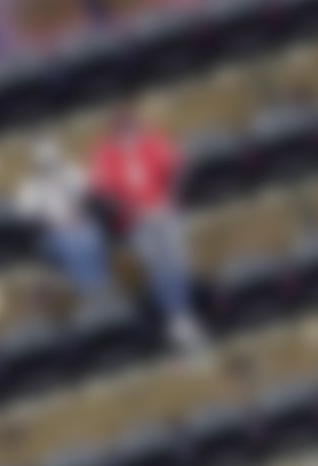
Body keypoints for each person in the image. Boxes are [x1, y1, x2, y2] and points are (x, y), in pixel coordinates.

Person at [88, 107, 205, 348]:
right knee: (158, 268)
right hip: (135, 220)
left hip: (163, 211)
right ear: (114, 133)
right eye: (123, 133)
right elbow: (101, 192)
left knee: (178, 263)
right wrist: (126, 209)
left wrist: (171, 197)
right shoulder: (105, 154)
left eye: (131, 130)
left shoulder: (151, 141)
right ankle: (179, 319)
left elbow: (181, 166)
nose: (128, 136)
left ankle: (181, 316)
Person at [15, 138, 116, 313]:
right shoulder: (30, 187)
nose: (49, 168)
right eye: (44, 165)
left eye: (52, 163)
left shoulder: (71, 173)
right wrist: (54, 223)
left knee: (91, 237)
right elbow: (28, 217)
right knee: (73, 246)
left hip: (80, 224)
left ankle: (101, 287)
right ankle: (90, 292)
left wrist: (78, 213)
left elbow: (89, 197)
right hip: (52, 234)